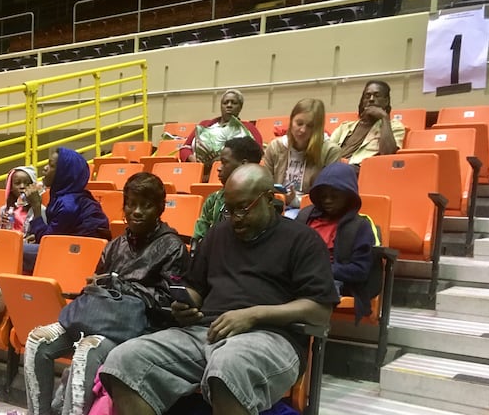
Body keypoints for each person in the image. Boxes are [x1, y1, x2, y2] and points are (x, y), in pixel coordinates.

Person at [99, 164, 340, 415]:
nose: (235, 217)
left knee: (228, 366)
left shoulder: (302, 240)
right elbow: (196, 289)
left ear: (269, 199)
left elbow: (320, 310)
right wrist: (185, 305)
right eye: (230, 208)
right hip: (207, 332)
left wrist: (254, 314)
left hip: (271, 337)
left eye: (243, 208)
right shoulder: (217, 235)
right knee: (124, 360)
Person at [25, 172, 189, 415]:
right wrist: (101, 284)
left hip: (139, 326)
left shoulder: (172, 246)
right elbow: (98, 284)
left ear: (160, 208)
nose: (137, 211)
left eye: (146, 205)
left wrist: (122, 286)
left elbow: (167, 303)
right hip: (102, 316)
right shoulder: (116, 245)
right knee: (37, 340)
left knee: (87, 349)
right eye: (131, 204)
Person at [296, 162, 380, 323]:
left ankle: (305, 334)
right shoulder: (305, 217)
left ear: (348, 196)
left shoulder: (360, 226)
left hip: (333, 280)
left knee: (313, 289)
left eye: (334, 196)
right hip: (299, 273)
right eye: (323, 196)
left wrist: (322, 269)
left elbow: (360, 270)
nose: (327, 200)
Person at [22, 148, 109, 274]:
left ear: (64, 173)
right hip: (67, 249)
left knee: (14, 250)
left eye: (51, 165)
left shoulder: (68, 204)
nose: (45, 168)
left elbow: (48, 241)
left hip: (79, 257)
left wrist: (36, 206)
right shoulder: (64, 197)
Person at [263, 98, 341, 219]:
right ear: (291, 121)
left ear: (318, 128)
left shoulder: (330, 151)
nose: (303, 130)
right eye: (299, 123)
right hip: (276, 205)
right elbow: (264, 184)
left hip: (311, 210)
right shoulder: (275, 147)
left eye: (310, 126)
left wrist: (293, 200)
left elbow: (328, 196)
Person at [192, 137, 263, 242]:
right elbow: (199, 237)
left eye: (224, 163)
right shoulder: (213, 200)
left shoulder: (262, 203)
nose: (219, 168)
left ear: (244, 165)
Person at [328, 81, 405, 168]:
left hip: (360, 170)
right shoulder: (345, 127)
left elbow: (388, 154)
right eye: (367, 96)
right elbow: (327, 151)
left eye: (377, 96)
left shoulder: (395, 127)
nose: (371, 99)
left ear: (386, 101)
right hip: (334, 167)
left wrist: (384, 118)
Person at [178, 89, 262, 169]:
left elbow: (257, 154)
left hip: (233, 173)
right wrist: (195, 161)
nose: (229, 105)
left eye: (234, 103)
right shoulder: (205, 124)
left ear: (240, 107)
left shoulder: (249, 128)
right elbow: (184, 148)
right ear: (221, 106)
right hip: (200, 171)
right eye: (225, 103)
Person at [0, 165, 46, 234]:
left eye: (27, 184)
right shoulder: (4, 210)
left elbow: (40, 234)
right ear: (10, 187)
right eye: (17, 183)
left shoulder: (41, 210)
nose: (22, 186)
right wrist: (2, 226)